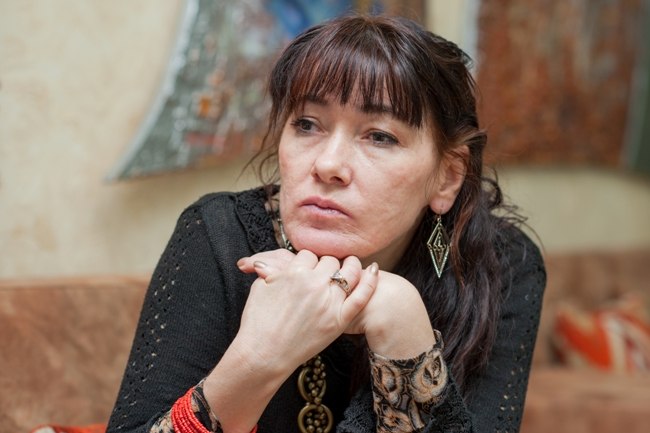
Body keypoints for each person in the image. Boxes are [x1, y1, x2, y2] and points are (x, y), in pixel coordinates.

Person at [107, 13, 545, 433]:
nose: (328, 164)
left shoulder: (502, 267)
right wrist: (259, 358)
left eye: (379, 136)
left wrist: (404, 332)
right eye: (307, 124)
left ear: (447, 177)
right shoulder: (219, 237)